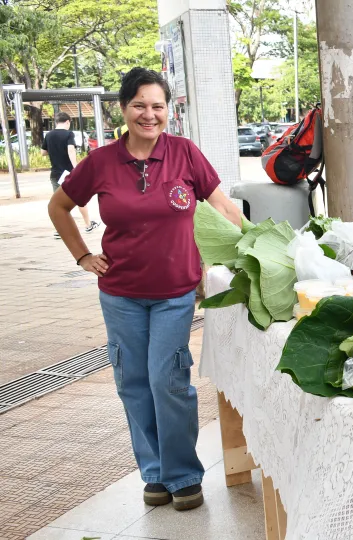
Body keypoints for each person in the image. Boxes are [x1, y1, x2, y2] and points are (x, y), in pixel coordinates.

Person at [48, 67, 244, 511]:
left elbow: (224, 206)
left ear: (168, 110)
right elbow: (59, 206)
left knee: (167, 380)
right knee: (133, 383)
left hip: (175, 293)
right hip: (120, 295)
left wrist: (260, 243)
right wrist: (81, 255)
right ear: (123, 108)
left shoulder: (185, 154)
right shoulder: (100, 162)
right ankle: (154, 474)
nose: (149, 115)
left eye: (157, 106)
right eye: (139, 105)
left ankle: (183, 474)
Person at [42, 112, 98, 238]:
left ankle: (59, 229)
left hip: (55, 173)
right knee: (79, 198)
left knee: (57, 202)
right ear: (67, 122)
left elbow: (43, 152)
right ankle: (88, 224)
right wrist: (76, 168)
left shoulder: (49, 135)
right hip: (68, 173)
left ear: (56, 122)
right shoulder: (68, 134)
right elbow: (71, 150)